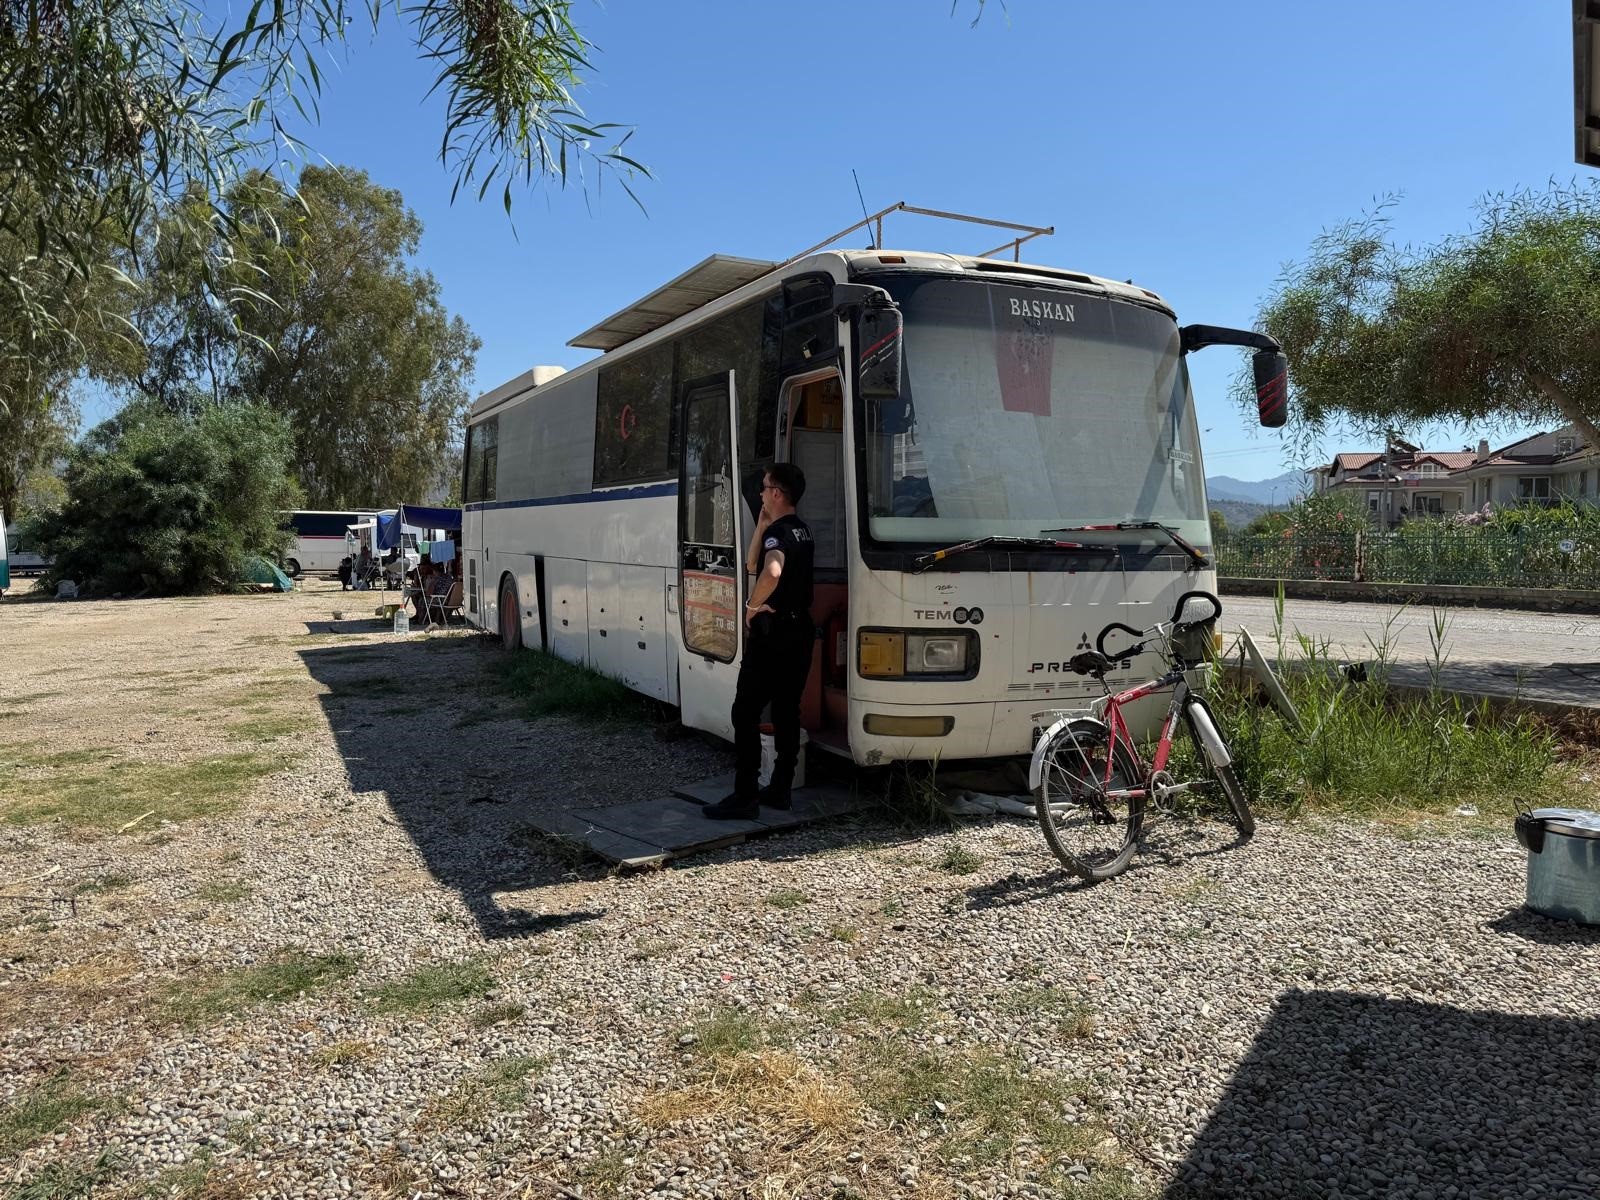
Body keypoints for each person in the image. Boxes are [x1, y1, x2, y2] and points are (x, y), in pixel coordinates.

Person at [704, 463, 815, 820]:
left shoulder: (779, 536)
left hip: (774, 635)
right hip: (800, 635)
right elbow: (753, 562)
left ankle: (745, 795)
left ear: (778, 493)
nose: (761, 494)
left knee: (745, 711)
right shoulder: (799, 531)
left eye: (765, 488)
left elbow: (770, 571)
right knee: (786, 710)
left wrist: (752, 606)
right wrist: (763, 524)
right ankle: (780, 788)